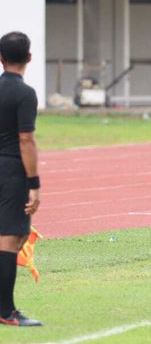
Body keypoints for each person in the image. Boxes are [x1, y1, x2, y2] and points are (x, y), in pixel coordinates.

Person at [0, 32, 42, 326]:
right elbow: (25, 139)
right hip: (12, 171)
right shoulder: (25, 94)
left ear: (0, 59)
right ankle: (6, 312)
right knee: (10, 239)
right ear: (29, 58)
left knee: (12, 236)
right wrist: (34, 184)